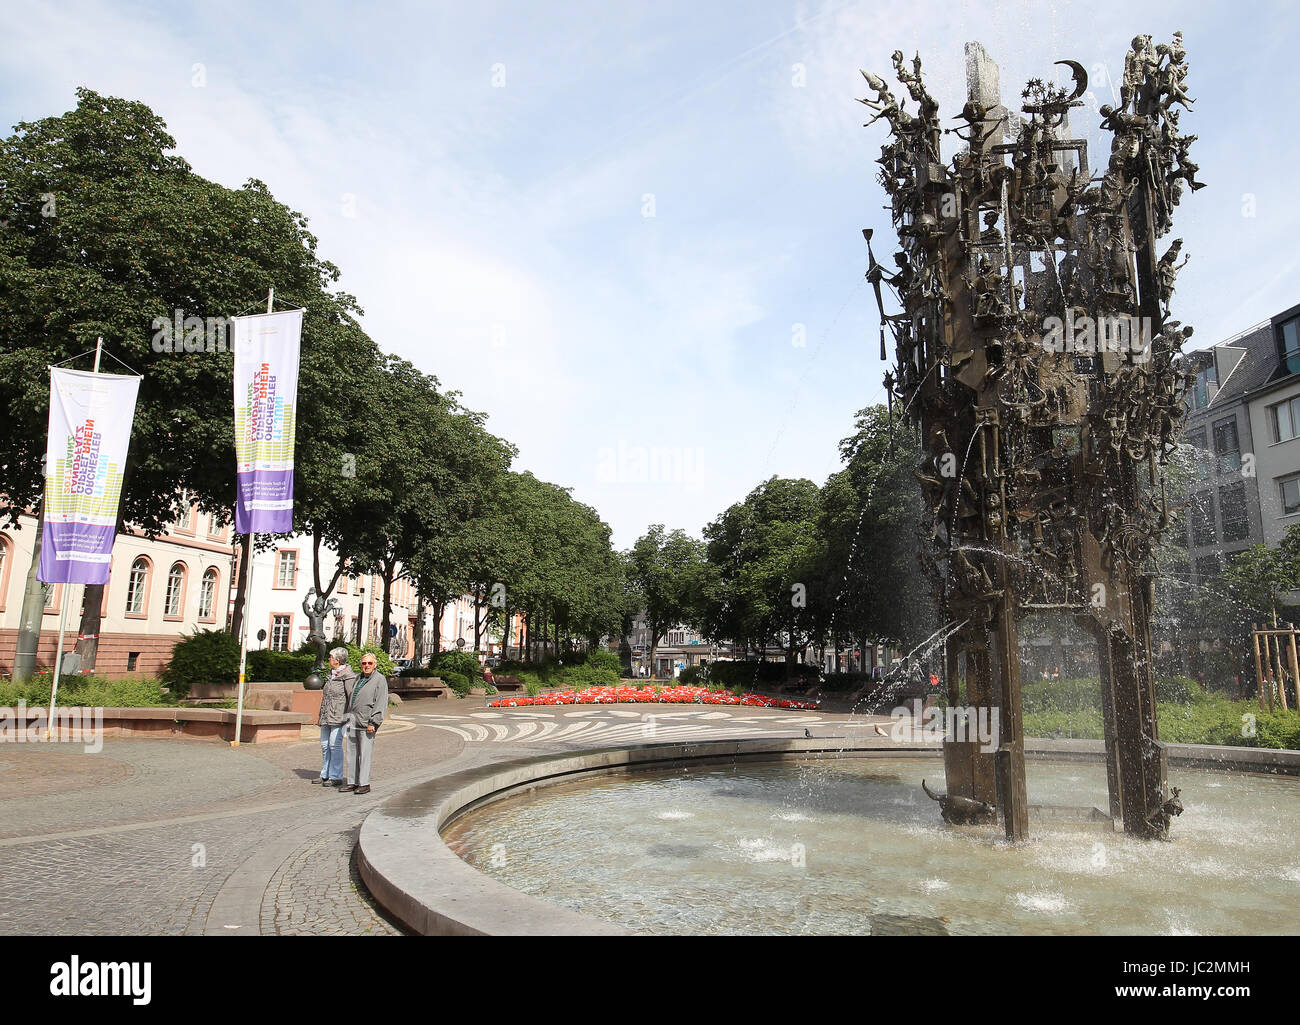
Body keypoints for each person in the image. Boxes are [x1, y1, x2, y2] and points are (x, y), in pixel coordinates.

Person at [340, 654, 387, 795]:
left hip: (367, 723)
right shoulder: (358, 678)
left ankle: (364, 783)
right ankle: (352, 782)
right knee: (352, 753)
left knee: (365, 755)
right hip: (353, 721)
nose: (366, 666)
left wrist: (374, 722)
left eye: (369, 663)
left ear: (375, 664)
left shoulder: (379, 680)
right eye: (364, 663)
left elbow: (380, 702)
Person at [314, 646, 354, 787]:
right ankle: (325, 774)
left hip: (339, 716)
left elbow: (351, 696)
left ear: (337, 660)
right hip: (326, 715)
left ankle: (335, 776)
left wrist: (350, 716)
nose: (329, 659)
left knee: (334, 745)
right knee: (325, 745)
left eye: (331, 657)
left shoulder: (348, 676)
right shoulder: (331, 675)